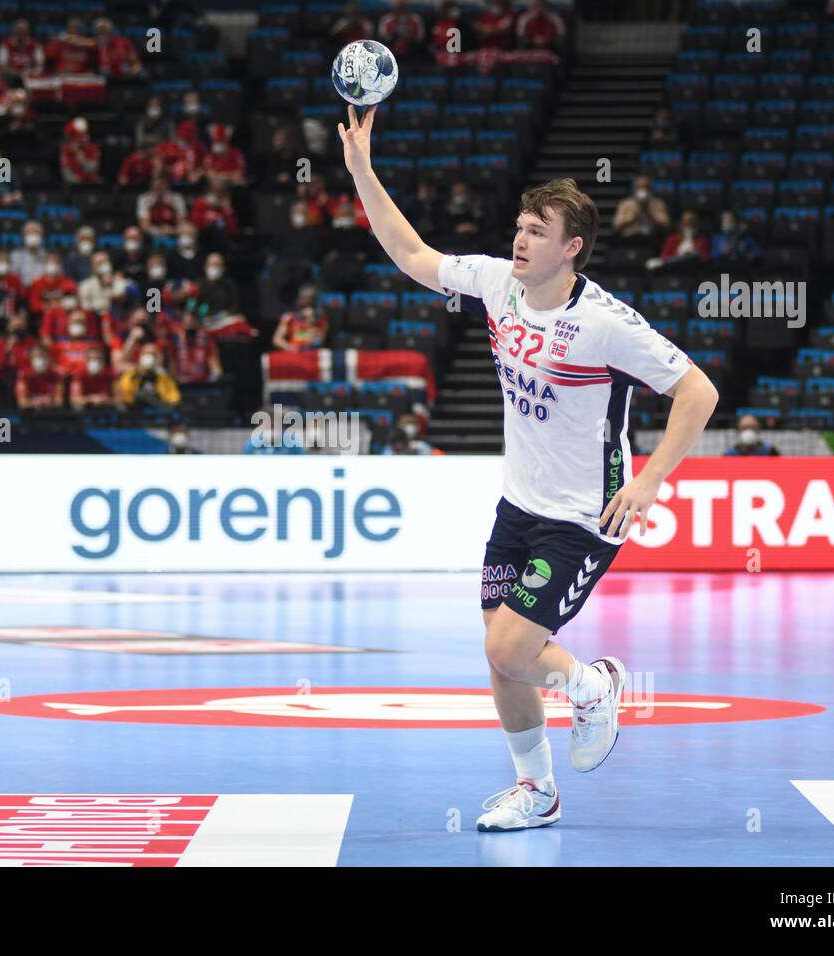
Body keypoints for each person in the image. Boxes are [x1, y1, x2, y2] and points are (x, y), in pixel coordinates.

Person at [336, 105, 719, 831]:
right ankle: (536, 790)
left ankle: (593, 685)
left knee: (512, 647)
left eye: (537, 232)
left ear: (572, 248)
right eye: (519, 226)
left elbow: (698, 389)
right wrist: (362, 172)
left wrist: (649, 480)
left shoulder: (607, 324)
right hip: (519, 505)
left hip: (584, 516)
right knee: (500, 654)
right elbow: (412, 254)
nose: (519, 238)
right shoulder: (495, 283)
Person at [612, 174, 671, 242]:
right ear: (635, 188)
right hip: (630, 239)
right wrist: (633, 217)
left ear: (650, 188)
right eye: (639, 187)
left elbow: (666, 223)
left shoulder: (658, 203)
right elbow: (617, 223)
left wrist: (651, 214)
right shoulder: (626, 203)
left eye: (645, 187)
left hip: (651, 239)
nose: (642, 190)